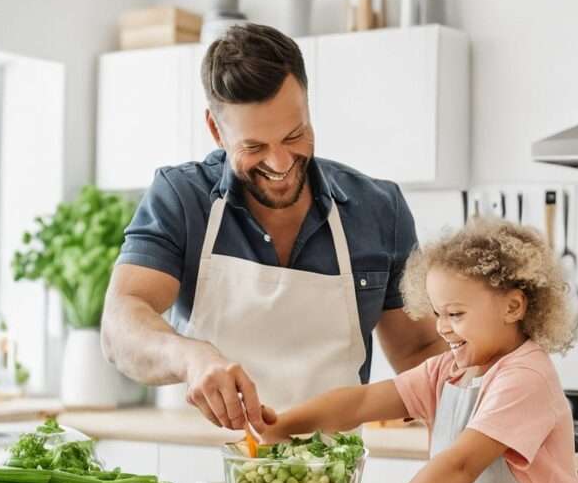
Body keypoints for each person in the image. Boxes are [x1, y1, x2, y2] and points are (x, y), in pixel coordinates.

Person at [101, 24, 445, 429]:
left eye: (294, 135)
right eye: (254, 147)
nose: (281, 164)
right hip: (207, 469)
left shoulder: (378, 209)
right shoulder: (181, 198)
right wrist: (192, 358)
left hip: (329, 475)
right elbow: (121, 324)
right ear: (216, 130)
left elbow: (421, 349)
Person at [259, 217, 578, 483]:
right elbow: (361, 402)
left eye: (455, 314)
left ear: (512, 307)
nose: (441, 327)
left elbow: (459, 465)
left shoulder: (525, 377)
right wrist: (283, 424)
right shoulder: (448, 371)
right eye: (437, 313)